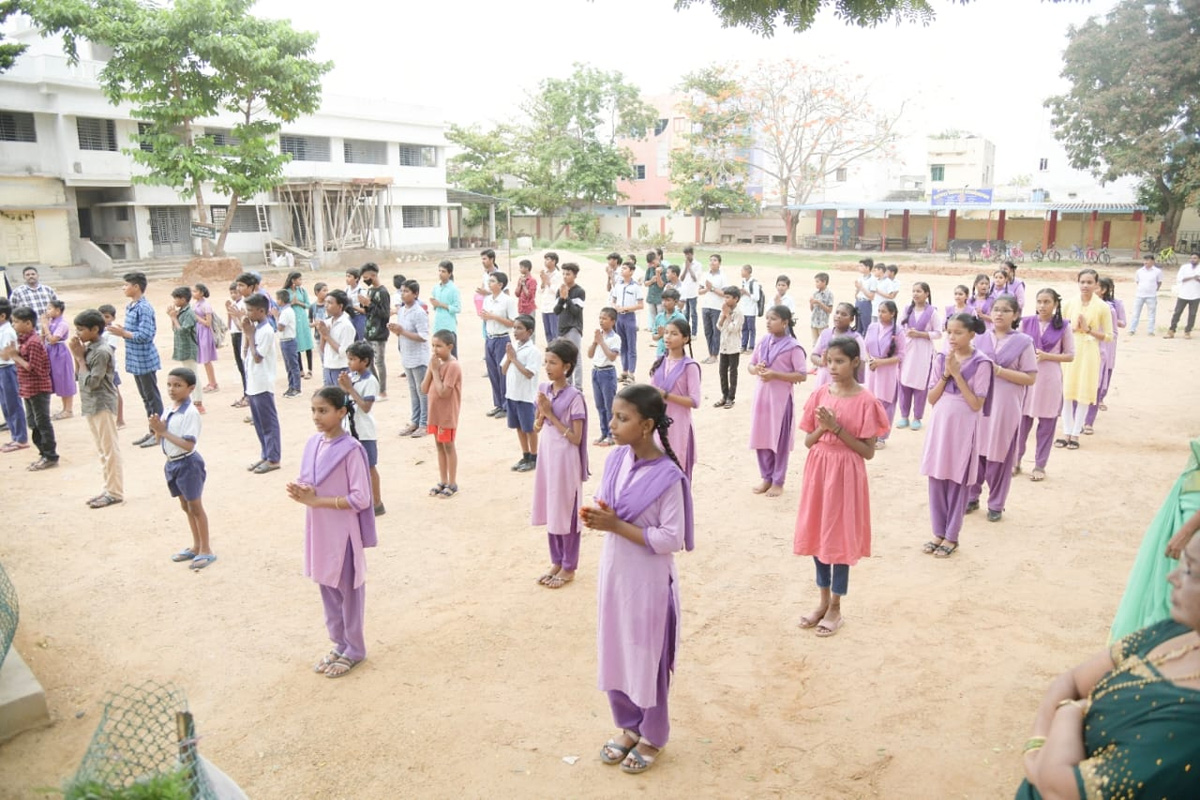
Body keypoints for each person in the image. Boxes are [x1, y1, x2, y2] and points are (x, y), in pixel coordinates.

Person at [1017, 529, 1200, 799]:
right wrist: (1037, 746)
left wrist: (1067, 713)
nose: (1171, 577)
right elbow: (1071, 680)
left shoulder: (1191, 722)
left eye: (1190, 571)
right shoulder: (1177, 632)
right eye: (1182, 563)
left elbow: (1061, 788)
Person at [583, 383, 693, 776]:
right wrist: (598, 514)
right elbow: (606, 499)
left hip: (647, 582)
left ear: (646, 425)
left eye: (622, 418)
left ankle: (653, 735)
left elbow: (670, 538)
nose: (612, 424)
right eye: (613, 416)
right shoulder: (615, 459)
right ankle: (628, 725)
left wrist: (616, 524)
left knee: (647, 656)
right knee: (617, 649)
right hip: (615, 573)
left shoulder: (668, 476)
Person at [794, 336, 889, 637]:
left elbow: (868, 451)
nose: (832, 367)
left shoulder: (866, 400)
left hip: (846, 473)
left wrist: (837, 428)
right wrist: (824, 426)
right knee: (817, 533)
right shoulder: (821, 392)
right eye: (829, 361)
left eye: (839, 361)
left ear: (855, 363)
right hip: (819, 471)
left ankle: (836, 606)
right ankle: (822, 601)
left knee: (839, 538)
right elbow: (809, 441)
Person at [288, 386, 376, 679]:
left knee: (349, 591)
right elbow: (308, 479)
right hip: (319, 528)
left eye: (323, 410)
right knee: (326, 585)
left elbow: (361, 498)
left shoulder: (351, 450)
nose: (317, 416)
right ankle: (339, 643)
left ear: (341, 412)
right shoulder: (313, 443)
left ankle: (355, 648)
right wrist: (303, 491)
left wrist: (318, 501)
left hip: (343, 532)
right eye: (313, 410)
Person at [919, 314, 992, 558]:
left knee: (957, 479)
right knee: (937, 476)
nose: (952, 337)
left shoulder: (982, 363)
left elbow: (975, 403)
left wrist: (958, 374)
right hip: (941, 424)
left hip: (964, 425)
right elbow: (931, 398)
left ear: (972, 335)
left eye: (958, 332)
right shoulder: (941, 358)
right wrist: (946, 374)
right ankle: (937, 532)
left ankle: (952, 536)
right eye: (949, 332)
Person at [966, 295, 1036, 522]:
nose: (999, 314)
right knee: (976, 449)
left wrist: (999, 371)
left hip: (1006, 405)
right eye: (996, 309)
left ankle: (996, 502)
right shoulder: (981, 339)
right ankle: (971, 495)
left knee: (1000, 453)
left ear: (1015, 315)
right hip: (981, 403)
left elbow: (1029, 378)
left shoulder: (1024, 342)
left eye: (1005, 310)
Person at [531, 339, 589, 589]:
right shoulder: (544, 388)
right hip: (547, 456)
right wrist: (542, 413)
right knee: (551, 507)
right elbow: (537, 425)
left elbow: (576, 437)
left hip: (566, 459)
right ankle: (556, 560)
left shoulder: (575, 397)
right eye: (546, 362)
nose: (548, 367)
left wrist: (551, 413)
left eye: (553, 362)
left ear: (567, 366)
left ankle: (569, 566)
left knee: (566, 510)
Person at [149, 368, 214, 569]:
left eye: (178, 385)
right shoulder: (170, 409)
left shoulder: (190, 413)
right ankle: (195, 546)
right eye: (169, 385)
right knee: (185, 506)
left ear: (191, 388)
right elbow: (160, 436)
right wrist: (156, 428)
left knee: (196, 507)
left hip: (188, 463)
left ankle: (206, 549)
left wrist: (163, 431)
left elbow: (188, 444)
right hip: (172, 463)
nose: (172, 389)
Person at [748, 306, 808, 498]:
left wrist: (776, 374)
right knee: (762, 437)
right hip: (762, 398)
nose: (768, 322)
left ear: (785, 322)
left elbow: (802, 374)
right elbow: (750, 365)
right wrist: (756, 369)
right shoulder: (764, 341)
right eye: (767, 318)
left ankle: (778, 480)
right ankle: (766, 477)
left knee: (779, 440)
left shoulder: (793, 347)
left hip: (780, 402)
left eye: (773, 319)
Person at [1016, 289, 1075, 483]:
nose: (1042, 306)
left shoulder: (1064, 326)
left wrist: (1047, 356)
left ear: (1055, 304)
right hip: (1028, 377)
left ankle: (1040, 464)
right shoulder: (1026, 322)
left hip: (1050, 378)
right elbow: (1016, 347)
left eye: (1047, 302)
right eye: (1039, 301)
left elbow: (1070, 355)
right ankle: (1015, 460)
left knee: (1047, 425)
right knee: (1021, 424)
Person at [68, 308, 123, 509]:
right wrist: (78, 356)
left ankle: (115, 492)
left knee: (110, 450)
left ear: (94, 329)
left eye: (81, 330)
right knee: (102, 450)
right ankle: (108, 488)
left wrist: (80, 358)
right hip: (91, 404)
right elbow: (78, 376)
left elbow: (91, 382)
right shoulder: (89, 347)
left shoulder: (101, 351)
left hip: (102, 403)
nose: (78, 334)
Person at [1059, 269, 1112, 450]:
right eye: (1083, 282)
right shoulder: (1068, 304)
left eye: (1090, 282)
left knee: (1083, 393)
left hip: (1089, 351)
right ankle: (1066, 431)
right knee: (1066, 391)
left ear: (1096, 285)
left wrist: (1088, 330)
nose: (1086, 286)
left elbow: (1109, 336)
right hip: (1070, 351)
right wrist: (1072, 328)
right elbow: (1060, 327)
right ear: (1078, 283)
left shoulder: (1103, 307)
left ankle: (1075, 433)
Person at [109, 272, 162, 448]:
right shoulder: (131, 306)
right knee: (146, 397)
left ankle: (159, 433)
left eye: (126, 285)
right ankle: (152, 430)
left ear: (136, 286)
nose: (124, 288)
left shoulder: (143, 308)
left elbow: (145, 335)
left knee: (152, 397)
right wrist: (123, 330)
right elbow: (135, 331)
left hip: (145, 358)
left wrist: (123, 333)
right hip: (136, 358)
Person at [3, 307, 57, 470]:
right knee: (33, 422)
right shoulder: (23, 339)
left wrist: (15, 356)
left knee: (42, 423)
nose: (13, 324)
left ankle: (50, 455)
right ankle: (43, 453)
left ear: (28, 323)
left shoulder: (33, 342)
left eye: (16, 321)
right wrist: (12, 354)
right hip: (28, 387)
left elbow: (35, 368)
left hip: (38, 388)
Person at [649, 319, 701, 480]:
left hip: (679, 426)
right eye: (666, 333)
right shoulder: (659, 363)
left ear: (685, 339)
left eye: (674, 334)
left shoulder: (690, 366)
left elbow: (694, 401)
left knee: (677, 470)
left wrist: (665, 395)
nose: (668, 337)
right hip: (657, 425)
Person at [338, 342, 384, 516]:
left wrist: (349, 388)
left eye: (353, 359)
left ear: (365, 361)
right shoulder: (354, 376)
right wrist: (344, 388)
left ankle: (377, 502)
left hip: (364, 431)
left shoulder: (370, 381)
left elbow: (365, 407)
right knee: (353, 467)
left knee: (370, 467)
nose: (349, 363)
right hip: (351, 429)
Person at [242, 293, 281, 474]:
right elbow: (247, 354)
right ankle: (265, 454)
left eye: (251, 310)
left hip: (263, 382)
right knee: (259, 423)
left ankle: (273, 458)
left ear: (261, 311)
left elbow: (258, 357)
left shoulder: (266, 331)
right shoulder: (256, 328)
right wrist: (247, 333)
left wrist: (250, 335)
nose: (248, 313)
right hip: (253, 383)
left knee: (268, 422)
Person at [896, 282, 942, 432]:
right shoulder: (907, 310)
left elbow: (938, 333)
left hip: (923, 352)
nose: (915, 294)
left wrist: (920, 334)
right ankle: (904, 415)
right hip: (907, 350)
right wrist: (907, 332)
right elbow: (900, 327)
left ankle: (917, 417)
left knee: (920, 384)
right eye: (914, 291)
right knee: (904, 382)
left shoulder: (932, 312)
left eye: (919, 291)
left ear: (927, 294)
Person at [422, 330, 462, 498]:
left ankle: (452, 482)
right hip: (435, 412)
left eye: (439, 346)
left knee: (448, 445)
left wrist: (436, 372)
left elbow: (444, 392)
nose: (435, 349)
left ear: (450, 347)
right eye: (433, 345)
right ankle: (443, 480)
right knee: (438, 445)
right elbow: (424, 388)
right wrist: (431, 369)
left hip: (447, 413)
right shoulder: (435, 364)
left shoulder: (453, 366)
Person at [1083, 276, 1125, 434]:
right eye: (1084, 283)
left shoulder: (1110, 308)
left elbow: (1112, 333)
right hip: (1083, 351)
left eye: (1092, 285)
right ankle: (1077, 420)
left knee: (1097, 385)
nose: (1088, 287)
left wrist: (1094, 335)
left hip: (1102, 350)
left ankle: (1089, 421)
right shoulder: (1080, 305)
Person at [389, 279, 430, 437]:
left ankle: (424, 423)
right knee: (413, 390)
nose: (403, 294)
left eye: (406, 291)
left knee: (422, 391)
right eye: (402, 291)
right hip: (407, 355)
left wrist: (402, 331)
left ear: (415, 294)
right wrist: (396, 330)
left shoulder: (419, 312)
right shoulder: (401, 310)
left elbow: (423, 336)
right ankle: (415, 420)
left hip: (419, 357)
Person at [862, 300, 905, 448]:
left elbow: (901, 355)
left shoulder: (898, 331)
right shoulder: (872, 327)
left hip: (887, 371)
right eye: (879, 311)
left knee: (885, 403)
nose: (880, 314)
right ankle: (869, 433)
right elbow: (865, 346)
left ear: (892, 314)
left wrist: (881, 362)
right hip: (872, 369)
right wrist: (870, 361)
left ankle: (881, 437)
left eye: (884, 312)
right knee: (870, 401)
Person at [502, 315, 541, 472]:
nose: (515, 331)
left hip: (525, 396)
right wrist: (509, 358)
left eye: (519, 328)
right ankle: (525, 455)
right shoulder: (513, 347)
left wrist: (514, 359)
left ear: (529, 331)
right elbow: (503, 370)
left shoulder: (533, 351)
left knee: (529, 428)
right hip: (512, 394)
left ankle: (534, 456)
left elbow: (529, 373)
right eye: (514, 328)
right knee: (518, 426)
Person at [481, 271, 517, 418]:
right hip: (490, 338)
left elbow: (513, 322)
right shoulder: (487, 299)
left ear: (501, 285)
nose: (489, 284)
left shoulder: (508, 301)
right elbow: (485, 318)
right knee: (492, 373)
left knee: (503, 372)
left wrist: (494, 317)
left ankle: (506, 405)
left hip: (502, 338)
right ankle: (498, 403)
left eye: (492, 281)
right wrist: (486, 318)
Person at [167, 287, 204, 412]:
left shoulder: (189, 313)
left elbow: (182, 330)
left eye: (176, 298)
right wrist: (173, 317)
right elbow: (175, 329)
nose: (174, 301)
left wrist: (173, 318)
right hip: (183, 347)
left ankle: (198, 402)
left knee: (193, 374)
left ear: (183, 299)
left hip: (189, 347)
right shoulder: (181, 311)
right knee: (189, 373)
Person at [589, 308, 621, 447]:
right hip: (596, 371)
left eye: (605, 318)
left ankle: (611, 435)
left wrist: (601, 342)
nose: (601, 321)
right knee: (599, 404)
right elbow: (590, 354)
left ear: (612, 321)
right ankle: (604, 432)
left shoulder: (615, 338)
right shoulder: (599, 336)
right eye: (600, 318)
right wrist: (595, 342)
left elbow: (612, 357)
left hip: (607, 372)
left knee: (609, 405)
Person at [0, 300, 29, 453]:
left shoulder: (8, 331)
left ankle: (21, 438)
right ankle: (15, 436)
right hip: (2, 369)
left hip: (8, 369)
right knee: (5, 405)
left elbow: (6, 355)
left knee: (13, 404)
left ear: (3, 315)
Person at [812, 303, 864, 387]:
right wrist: (822, 361)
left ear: (851, 319)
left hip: (844, 381)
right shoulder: (825, 333)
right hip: (824, 379)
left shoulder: (856, 338)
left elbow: (861, 363)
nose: (838, 316)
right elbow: (814, 355)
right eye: (837, 312)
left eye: (844, 314)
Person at [360, 264, 391, 399]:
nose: (365, 280)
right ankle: (375, 386)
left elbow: (385, 314)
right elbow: (369, 313)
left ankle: (383, 391)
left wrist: (369, 304)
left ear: (373, 275)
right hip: (369, 331)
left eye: (366, 277)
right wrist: (364, 305)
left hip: (379, 333)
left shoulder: (383, 292)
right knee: (369, 362)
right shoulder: (371, 291)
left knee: (379, 362)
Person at [554, 263, 586, 390]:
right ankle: (567, 383)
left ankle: (578, 386)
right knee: (564, 357)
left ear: (575, 275)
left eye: (568, 274)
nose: (565, 276)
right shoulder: (560, 290)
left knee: (575, 357)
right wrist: (562, 298)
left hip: (573, 327)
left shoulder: (579, 291)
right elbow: (556, 310)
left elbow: (576, 311)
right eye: (564, 274)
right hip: (562, 327)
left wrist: (567, 298)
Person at [43, 300, 76, 419]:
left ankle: (68, 409)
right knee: (58, 379)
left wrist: (45, 327)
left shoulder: (62, 324)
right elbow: (44, 338)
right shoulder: (52, 322)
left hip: (59, 352)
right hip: (51, 352)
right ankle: (64, 409)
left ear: (58, 310)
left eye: (50, 309)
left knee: (64, 378)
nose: (47, 311)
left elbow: (52, 340)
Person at [610, 261, 643, 383]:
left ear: (631, 271)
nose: (622, 270)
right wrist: (616, 307)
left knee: (631, 346)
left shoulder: (635, 287)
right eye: (622, 268)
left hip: (629, 317)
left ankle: (631, 373)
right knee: (622, 345)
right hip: (619, 317)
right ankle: (624, 371)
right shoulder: (618, 285)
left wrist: (626, 308)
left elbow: (640, 305)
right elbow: (613, 300)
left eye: (625, 268)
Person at [317, 289, 356, 387]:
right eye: (326, 302)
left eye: (330, 303)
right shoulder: (328, 322)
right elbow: (322, 349)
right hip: (328, 367)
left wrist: (327, 336)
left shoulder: (346, 326)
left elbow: (344, 353)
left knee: (342, 400)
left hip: (341, 369)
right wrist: (322, 333)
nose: (326, 306)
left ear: (340, 306)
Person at [715, 286, 744, 409]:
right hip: (724, 346)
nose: (725, 300)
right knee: (722, 371)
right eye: (724, 297)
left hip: (733, 347)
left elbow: (734, 328)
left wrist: (728, 315)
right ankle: (724, 395)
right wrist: (723, 316)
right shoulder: (724, 310)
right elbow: (719, 326)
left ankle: (731, 397)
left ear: (736, 299)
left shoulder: (739, 313)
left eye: (728, 297)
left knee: (732, 372)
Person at [98, 304, 126, 429]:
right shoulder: (99, 330)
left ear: (113, 318)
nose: (104, 319)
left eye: (107, 317)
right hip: (100, 366)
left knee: (115, 392)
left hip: (110, 367)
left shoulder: (112, 331)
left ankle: (120, 419)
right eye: (101, 316)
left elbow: (111, 349)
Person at [283, 272, 315, 380]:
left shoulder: (302, 291)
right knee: (297, 344)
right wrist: (292, 303)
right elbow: (283, 305)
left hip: (303, 320)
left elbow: (308, 304)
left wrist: (298, 303)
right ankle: (301, 369)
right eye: (299, 279)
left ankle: (310, 369)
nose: (300, 282)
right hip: (293, 320)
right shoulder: (286, 292)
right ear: (293, 280)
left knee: (307, 343)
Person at [428, 260, 462, 357]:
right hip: (438, 325)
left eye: (443, 271)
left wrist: (441, 304)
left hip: (449, 326)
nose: (440, 274)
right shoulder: (436, 288)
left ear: (449, 273)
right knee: (437, 354)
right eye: (439, 271)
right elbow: (435, 307)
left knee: (451, 355)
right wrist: (434, 304)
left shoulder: (453, 289)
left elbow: (457, 308)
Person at [697, 254, 726, 364]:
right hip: (706, 306)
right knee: (707, 331)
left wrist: (712, 288)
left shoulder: (723, 276)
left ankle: (714, 355)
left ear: (719, 263)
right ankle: (710, 354)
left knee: (716, 332)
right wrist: (707, 289)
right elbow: (699, 291)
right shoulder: (705, 275)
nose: (712, 262)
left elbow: (724, 293)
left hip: (717, 307)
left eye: (715, 260)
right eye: (711, 260)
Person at [192, 284, 220, 392]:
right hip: (199, 332)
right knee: (205, 360)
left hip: (205, 334)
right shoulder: (196, 304)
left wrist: (197, 317)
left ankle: (213, 383)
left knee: (207, 360)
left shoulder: (206, 305)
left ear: (201, 293)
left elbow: (208, 323)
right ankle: (211, 382)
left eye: (195, 291)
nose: (193, 293)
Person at [1165, 252, 1200, 339]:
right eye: (1191, 258)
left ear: (1198, 259)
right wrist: (1192, 277)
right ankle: (1171, 330)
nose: (1193, 260)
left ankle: (1187, 331)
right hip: (1183, 294)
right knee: (1177, 313)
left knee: (1192, 314)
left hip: (1196, 295)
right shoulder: (1184, 267)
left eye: (1195, 258)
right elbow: (1180, 279)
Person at [274, 289, 301, 398]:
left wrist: (276, 316)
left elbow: (280, 327)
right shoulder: (286, 310)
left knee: (293, 365)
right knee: (289, 366)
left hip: (288, 341)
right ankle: (291, 386)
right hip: (285, 341)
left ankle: (297, 388)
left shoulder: (286, 312)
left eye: (277, 299)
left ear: (281, 300)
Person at [1129, 254, 1163, 336]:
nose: (1146, 262)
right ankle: (1132, 330)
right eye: (1144, 260)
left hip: (1151, 296)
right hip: (1140, 295)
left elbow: (1159, 282)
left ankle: (1150, 331)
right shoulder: (1139, 271)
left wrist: (1155, 289)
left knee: (1151, 314)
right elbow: (1137, 281)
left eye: (1148, 260)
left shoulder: (1157, 271)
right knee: (1136, 313)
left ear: (1153, 261)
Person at [652, 288, 686, 359]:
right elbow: (654, 337)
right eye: (663, 300)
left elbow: (685, 337)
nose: (664, 303)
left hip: (676, 354)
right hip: (661, 353)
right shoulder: (659, 317)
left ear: (676, 302)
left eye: (668, 300)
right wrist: (660, 335)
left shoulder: (680, 318)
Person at [537, 251, 562, 341]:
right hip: (545, 307)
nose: (545, 262)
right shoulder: (545, 274)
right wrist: (543, 281)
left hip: (553, 308)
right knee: (547, 333)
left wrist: (547, 281)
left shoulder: (558, 275)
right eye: (545, 260)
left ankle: (556, 352)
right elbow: (539, 291)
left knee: (555, 333)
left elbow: (558, 292)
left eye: (547, 259)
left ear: (554, 261)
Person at [738, 264, 763, 353]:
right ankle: (743, 345)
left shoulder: (754, 283)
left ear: (748, 272)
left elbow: (757, 297)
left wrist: (746, 293)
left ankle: (751, 346)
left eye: (742, 271)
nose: (741, 272)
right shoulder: (744, 281)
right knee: (744, 328)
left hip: (751, 310)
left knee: (751, 329)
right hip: (744, 309)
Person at [678, 246, 701, 334]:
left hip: (693, 292)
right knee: (685, 313)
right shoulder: (684, 264)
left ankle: (694, 332)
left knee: (693, 313)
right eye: (685, 254)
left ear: (692, 254)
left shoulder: (698, 265)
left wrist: (690, 268)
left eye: (688, 254)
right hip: (685, 292)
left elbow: (695, 278)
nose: (687, 256)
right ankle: (686, 332)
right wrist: (685, 268)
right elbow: (682, 278)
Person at [343, 267, 369, 342]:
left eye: (349, 276)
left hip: (360, 318)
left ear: (356, 278)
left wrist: (353, 306)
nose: (347, 278)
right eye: (346, 276)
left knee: (361, 340)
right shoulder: (346, 290)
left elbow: (366, 311)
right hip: (350, 317)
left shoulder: (362, 292)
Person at [809, 272, 834, 345]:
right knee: (815, 343)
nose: (816, 284)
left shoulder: (829, 294)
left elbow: (829, 310)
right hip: (814, 322)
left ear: (824, 282)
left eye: (817, 282)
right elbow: (812, 309)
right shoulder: (815, 293)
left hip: (823, 323)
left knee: (823, 343)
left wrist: (819, 303)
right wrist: (811, 303)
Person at [644, 251, 665, 333]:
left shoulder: (664, 269)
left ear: (657, 259)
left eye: (653, 262)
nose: (652, 265)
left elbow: (661, 285)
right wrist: (652, 281)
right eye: (650, 263)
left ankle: (660, 335)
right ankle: (654, 334)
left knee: (660, 317)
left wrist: (658, 274)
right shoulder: (649, 269)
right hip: (651, 297)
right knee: (652, 316)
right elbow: (645, 283)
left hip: (660, 297)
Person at [853, 258, 874, 336]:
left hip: (866, 303)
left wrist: (861, 287)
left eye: (861, 266)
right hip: (858, 302)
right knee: (858, 326)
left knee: (866, 326)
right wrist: (857, 290)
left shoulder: (872, 280)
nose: (859, 268)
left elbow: (871, 296)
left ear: (868, 267)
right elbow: (857, 293)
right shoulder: (860, 278)